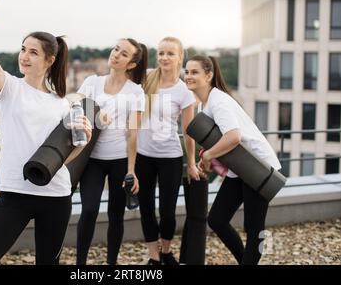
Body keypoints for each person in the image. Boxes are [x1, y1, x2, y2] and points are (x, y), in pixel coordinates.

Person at [0, 8, 92, 265]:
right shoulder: (9, 87)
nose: (24, 56)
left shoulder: (63, 103)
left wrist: (84, 140)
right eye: (23, 49)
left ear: (50, 59)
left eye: (33, 52)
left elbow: (66, 156)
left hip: (56, 196)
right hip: (15, 193)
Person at [184, 55, 281, 265]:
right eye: (187, 72)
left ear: (209, 75)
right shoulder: (205, 104)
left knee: (254, 227)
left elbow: (233, 136)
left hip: (258, 166)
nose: (188, 76)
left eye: (194, 72)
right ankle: (245, 261)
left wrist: (209, 154)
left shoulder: (218, 101)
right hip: (240, 167)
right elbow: (223, 141)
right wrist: (207, 156)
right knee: (217, 219)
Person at [75, 38, 147, 265]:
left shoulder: (136, 91)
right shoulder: (91, 83)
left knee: (116, 215)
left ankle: (112, 264)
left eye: (124, 54)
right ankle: (80, 265)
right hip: (91, 159)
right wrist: (97, 116)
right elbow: (75, 112)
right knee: (88, 210)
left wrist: (132, 171)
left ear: (132, 64)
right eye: (116, 49)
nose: (116, 54)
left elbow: (133, 134)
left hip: (120, 160)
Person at [136, 37, 199, 265]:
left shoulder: (185, 91)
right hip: (143, 156)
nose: (164, 57)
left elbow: (189, 131)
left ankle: (166, 249)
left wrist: (191, 163)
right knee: (146, 208)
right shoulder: (146, 78)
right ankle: (153, 256)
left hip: (170, 157)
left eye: (170, 53)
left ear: (180, 57)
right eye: (161, 53)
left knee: (168, 212)